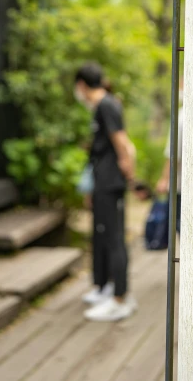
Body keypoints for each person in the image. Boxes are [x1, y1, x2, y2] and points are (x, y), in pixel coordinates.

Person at [74, 62, 137, 321]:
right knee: (104, 236)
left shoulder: (108, 105)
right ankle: (107, 288)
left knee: (114, 239)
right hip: (103, 182)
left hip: (111, 183)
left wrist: (129, 174)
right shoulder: (103, 106)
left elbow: (122, 142)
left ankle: (120, 298)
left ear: (81, 85)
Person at [156, 79, 183, 232]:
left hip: (180, 184)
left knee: (180, 225)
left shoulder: (181, 116)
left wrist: (164, 179)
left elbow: (173, 155)